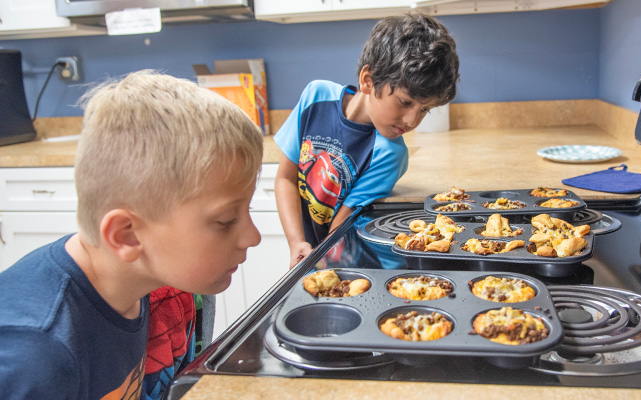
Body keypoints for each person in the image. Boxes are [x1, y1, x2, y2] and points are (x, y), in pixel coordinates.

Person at [0, 70, 263, 399]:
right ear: (127, 236)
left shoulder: (159, 284)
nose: (253, 237)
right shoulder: (35, 357)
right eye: (225, 220)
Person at [274, 13, 460, 268]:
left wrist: (318, 265)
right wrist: (296, 242)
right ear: (368, 80)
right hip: (311, 255)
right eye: (406, 102)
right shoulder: (315, 97)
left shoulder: (389, 154)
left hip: (352, 266)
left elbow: (340, 226)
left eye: (424, 109)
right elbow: (285, 178)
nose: (412, 120)